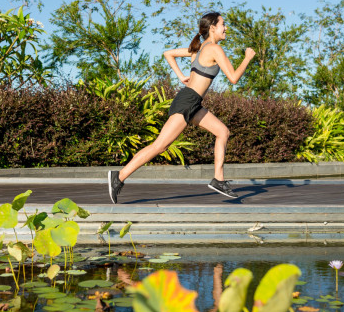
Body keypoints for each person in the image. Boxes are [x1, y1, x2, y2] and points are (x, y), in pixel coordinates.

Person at [108, 11, 256, 203]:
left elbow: (168, 54)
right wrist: (247, 58)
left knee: (222, 132)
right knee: (160, 146)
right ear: (212, 28)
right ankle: (118, 177)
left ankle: (218, 180)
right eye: (222, 25)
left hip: (193, 102)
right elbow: (234, 78)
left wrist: (180, 76)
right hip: (187, 101)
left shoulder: (199, 48)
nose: (225, 28)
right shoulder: (213, 49)